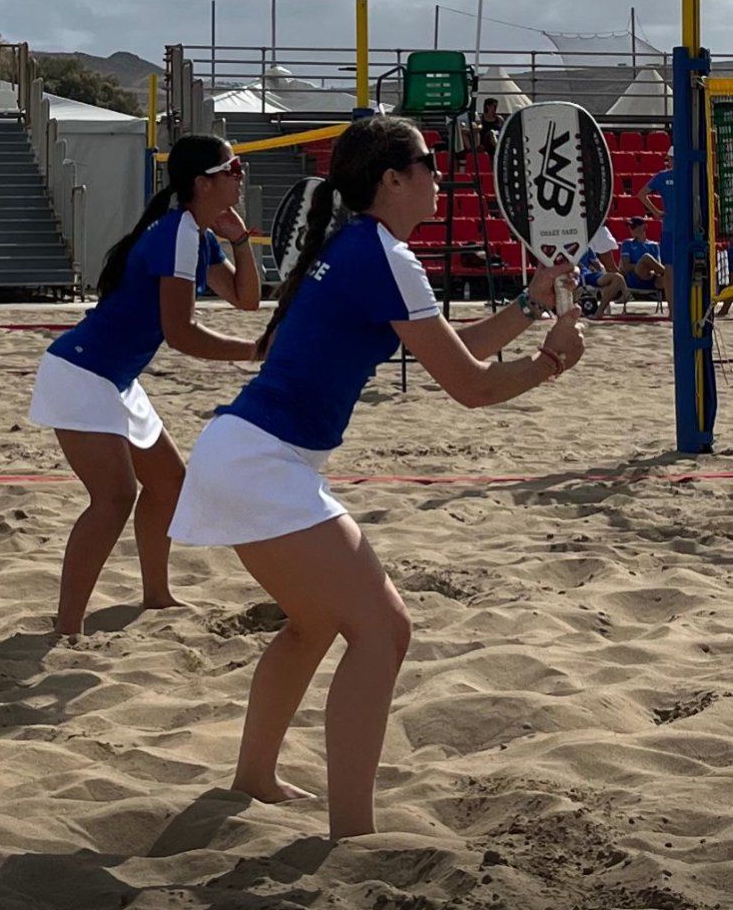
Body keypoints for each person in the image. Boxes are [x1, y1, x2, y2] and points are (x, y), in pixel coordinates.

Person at [168, 116, 585, 840]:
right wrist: (551, 365)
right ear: (392, 179)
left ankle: (255, 777)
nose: (438, 174)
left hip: (249, 454)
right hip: (260, 461)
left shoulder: (366, 248)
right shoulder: (385, 254)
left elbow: (457, 352)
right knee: (383, 631)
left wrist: (528, 304)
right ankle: (352, 833)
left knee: (313, 626)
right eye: (427, 163)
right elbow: (473, 389)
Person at [29, 134, 260, 636]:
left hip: (114, 377)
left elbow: (247, 300)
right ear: (203, 183)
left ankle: (156, 596)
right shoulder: (177, 233)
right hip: (81, 373)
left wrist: (240, 240)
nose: (240, 174)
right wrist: (251, 352)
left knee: (170, 485)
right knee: (113, 498)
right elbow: (181, 334)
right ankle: (68, 627)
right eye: (232, 167)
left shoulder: (194, 235)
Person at [636, 146, 674, 314]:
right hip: (687, 228)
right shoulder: (692, 175)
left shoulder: (663, 177)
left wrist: (656, 212)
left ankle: (673, 312)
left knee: (670, 271)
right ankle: (682, 310)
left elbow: (641, 194)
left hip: (670, 229)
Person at [619, 216, 666, 301]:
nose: (630, 229)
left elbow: (657, 266)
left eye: (633, 227)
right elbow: (626, 267)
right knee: (646, 257)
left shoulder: (654, 245)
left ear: (643, 227)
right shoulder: (627, 244)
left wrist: (649, 270)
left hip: (652, 280)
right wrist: (645, 266)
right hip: (635, 279)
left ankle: (668, 275)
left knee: (665, 270)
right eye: (630, 227)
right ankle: (668, 274)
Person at [578, 246, 628, 318]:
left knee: (618, 277)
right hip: (572, 276)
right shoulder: (562, 247)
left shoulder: (586, 247)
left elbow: (597, 264)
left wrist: (600, 269)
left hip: (588, 276)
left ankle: (599, 311)